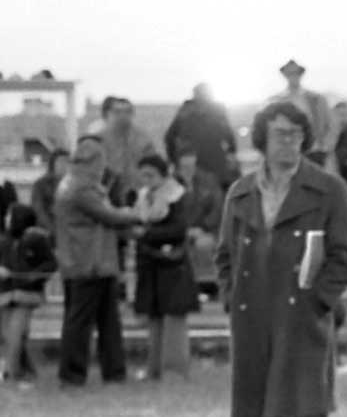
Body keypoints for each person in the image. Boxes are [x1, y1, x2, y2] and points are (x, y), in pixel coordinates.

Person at [215, 102, 347, 417]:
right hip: (254, 318)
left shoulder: (328, 190)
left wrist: (319, 299)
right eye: (280, 133)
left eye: (297, 134)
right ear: (262, 138)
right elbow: (224, 257)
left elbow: (345, 256)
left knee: (310, 415)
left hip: (304, 318)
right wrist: (231, 298)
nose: (290, 141)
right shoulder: (240, 194)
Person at [53, 136, 140, 386]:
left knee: (106, 320)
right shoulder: (82, 188)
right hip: (89, 263)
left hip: (90, 263)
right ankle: (74, 373)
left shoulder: (71, 183)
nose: (103, 167)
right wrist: (136, 214)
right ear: (92, 162)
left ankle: (113, 371)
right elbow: (108, 216)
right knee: (83, 322)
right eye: (101, 161)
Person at [131, 154, 199, 379]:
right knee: (154, 319)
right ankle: (155, 367)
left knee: (174, 319)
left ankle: (175, 369)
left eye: (150, 174)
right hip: (151, 265)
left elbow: (180, 229)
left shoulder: (177, 196)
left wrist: (146, 234)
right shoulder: (143, 197)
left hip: (172, 266)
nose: (146, 180)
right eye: (143, 175)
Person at [0, 204, 57, 385]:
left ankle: (11, 374)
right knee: (10, 335)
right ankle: (27, 371)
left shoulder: (37, 240)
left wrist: (30, 277)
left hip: (26, 295)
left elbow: (50, 264)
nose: (6, 218)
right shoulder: (5, 240)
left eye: (10, 215)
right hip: (6, 294)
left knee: (15, 334)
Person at [164, 83, 239, 189]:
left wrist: (174, 161)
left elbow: (169, 138)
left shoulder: (186, 111)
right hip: (201, 166)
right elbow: (169, 138)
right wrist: (174, 161)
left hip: (208, 165)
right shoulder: (214, 111)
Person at [176, 148, 223, 297]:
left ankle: (207, 287)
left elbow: (218, 209)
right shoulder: (171, 182)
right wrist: (183, 230)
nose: (188, 170)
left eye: (191, 166)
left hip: (205, 230)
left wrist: (203, 228)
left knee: (204, 244)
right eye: (184, 166)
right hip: (177, 231)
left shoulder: (209, 181)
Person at [268, 60, 334, 164]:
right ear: (285, 75)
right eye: (290, 73)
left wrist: (325, 145)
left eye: (295, 73)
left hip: (314, 150)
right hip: (288, 151)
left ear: (300, 75)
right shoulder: (277, 100)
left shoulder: (316, 99)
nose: (293, 77)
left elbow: (329, 124)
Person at [97, 96, 158, 205]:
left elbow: (154, 168)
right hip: (106, 196)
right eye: (118, 112)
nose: (123, 116)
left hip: (138, 195)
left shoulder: (143, 139)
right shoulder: (98, 139)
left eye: (127, 111)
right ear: (108, 114)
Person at [29, 148, 68, 232]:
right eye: (61, 162)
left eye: (67, 162)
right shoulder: (41, 184)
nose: (64, 165)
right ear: (53, 164)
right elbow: (39, 210)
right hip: (47, 231)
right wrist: (53, 230)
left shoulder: (72, 185)